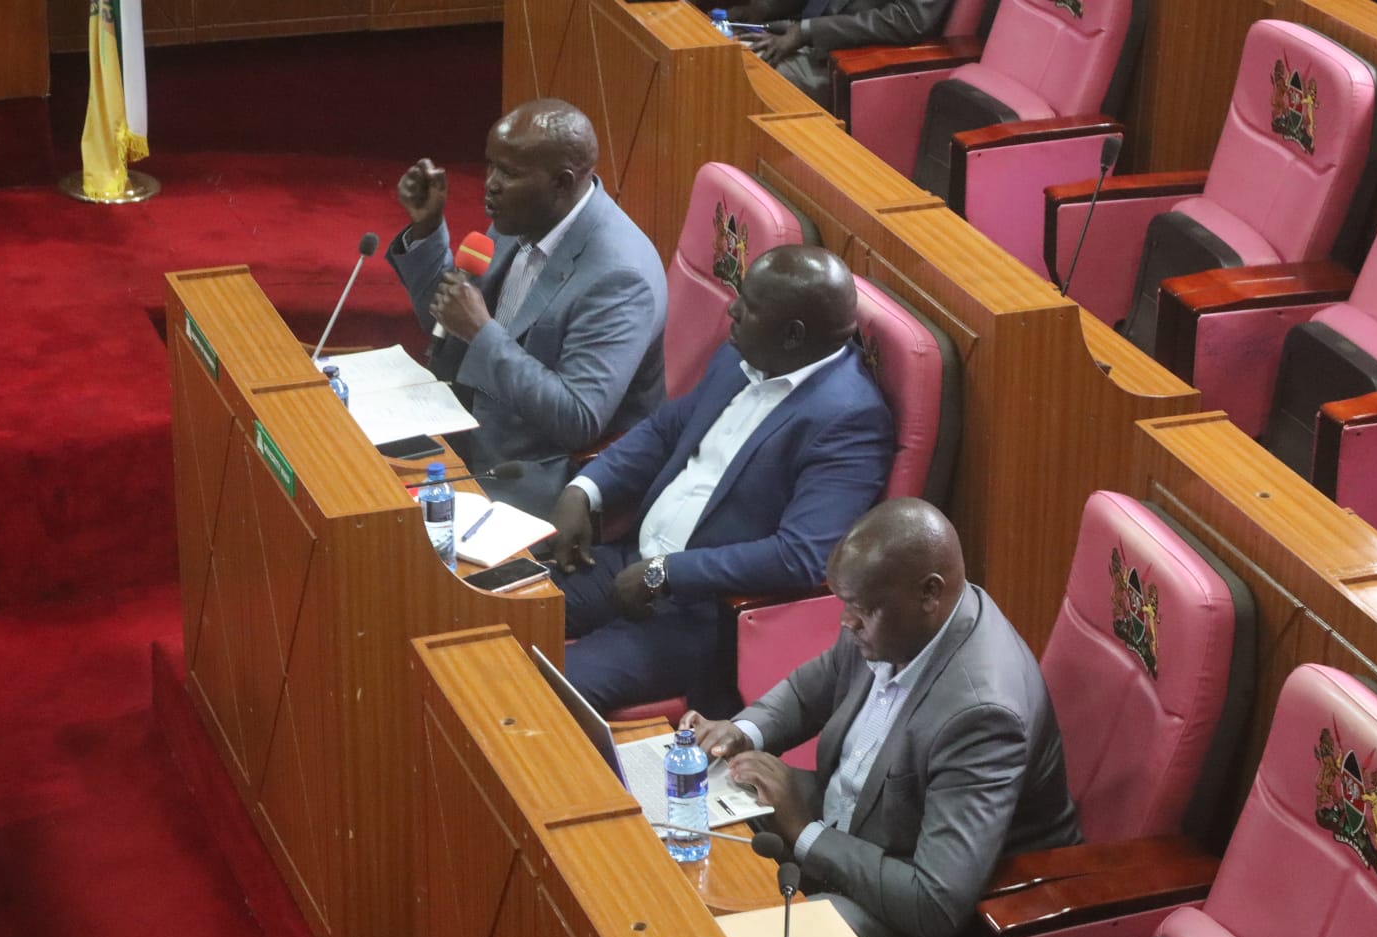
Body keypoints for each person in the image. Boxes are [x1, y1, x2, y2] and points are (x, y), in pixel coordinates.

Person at [684, 497, 1082, 937]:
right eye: (845, 603)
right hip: (856, 822)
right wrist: (744, 732)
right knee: (691, 808)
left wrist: (804, 832)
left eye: (862, 609)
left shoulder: (981, 714)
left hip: (922, 919)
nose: (846, 622)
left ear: (929, 593)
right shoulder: (895, 620)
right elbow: (811, 689)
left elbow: (934, 905)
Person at [547, 245, 894, 717]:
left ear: (792, 335)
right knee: (488, 605)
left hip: (697, 615)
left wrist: (667, 572)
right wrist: (585, 489)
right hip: (628, 561)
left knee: (542, 689)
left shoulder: (849, 420)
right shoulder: (741, 356)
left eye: (749, 305)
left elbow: (799, 556)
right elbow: (665, 429)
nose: (732, 309)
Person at [386, 99, 668, 514]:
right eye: (491, 166)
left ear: (561, 182)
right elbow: (452, 325)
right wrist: (427, 230)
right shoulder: (525, 215)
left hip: (535, 472)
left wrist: (481, 332)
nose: (491, 184)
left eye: (509, 173)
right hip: (466, 421)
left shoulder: (620, 278)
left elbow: (578, 418)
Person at [732, 0, 955, 109]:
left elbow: (908, 21)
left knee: (744, 73)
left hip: (847, 55)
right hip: (799, 29)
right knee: (724, 52)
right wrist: (764, 7)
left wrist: (807, 32)